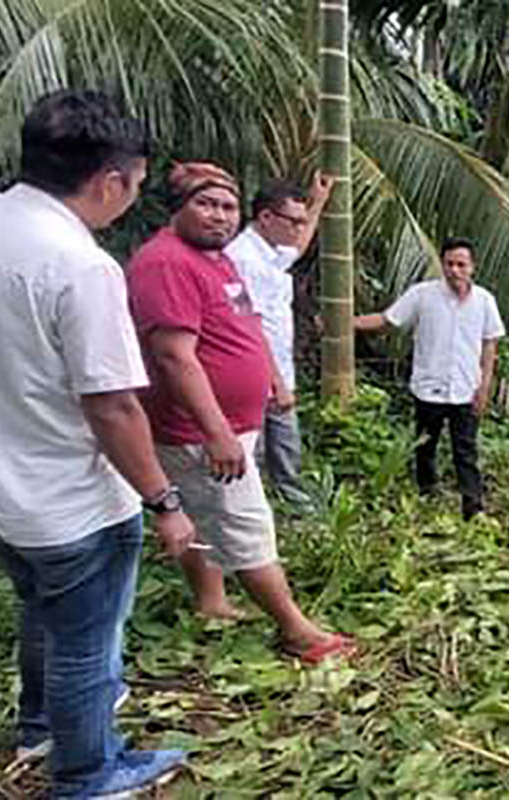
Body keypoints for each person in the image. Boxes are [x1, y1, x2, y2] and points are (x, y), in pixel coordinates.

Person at [0, 90, 193, 798]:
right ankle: (88, 772)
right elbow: (113, 406)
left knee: (39, 609)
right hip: (74, 501)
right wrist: (164, 499)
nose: (132, 197)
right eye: (137, 184)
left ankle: (39, 724)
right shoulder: (81, 267)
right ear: (110, 181)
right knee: (87, 641)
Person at [126, 161, 354, 664]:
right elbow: (172, 355)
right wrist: (218, 431)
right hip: (199, 430)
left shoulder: (214, 259)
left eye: (227, 205)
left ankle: (212, 601)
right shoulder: (168, 263)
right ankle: (296, 630)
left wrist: (269, 379)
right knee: (248, 522)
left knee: (210, 517)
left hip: (231, 423)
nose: (219, 216)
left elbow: (247, 327)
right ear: (178, 209)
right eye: (207, 205)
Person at [354, 237, 505, 519]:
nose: (454, 270)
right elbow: (388, 320)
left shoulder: (485, 301)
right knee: (425, 446)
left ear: (472, 267)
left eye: (461, 264)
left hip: (465, 388)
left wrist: (484, 386)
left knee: (466, 452)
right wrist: (347, 322)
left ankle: (473, 509)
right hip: (428, 388)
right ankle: (427, 494)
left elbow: (490, 344)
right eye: (449, 264)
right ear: (442, 265)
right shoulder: (422, 295)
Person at [224, 175, 333, 509]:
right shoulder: (242, 259)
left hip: (276, 373)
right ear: (266, 218)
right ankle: (253, 521)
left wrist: (317, 203)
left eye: (302, 222)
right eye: (293, 222)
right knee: (251, 456)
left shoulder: (268, 251)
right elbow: (250, 327)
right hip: (256, 375)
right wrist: (277, 383)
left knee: (286, 454)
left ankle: (292, 518)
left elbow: (295, 250)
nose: (299, 229)